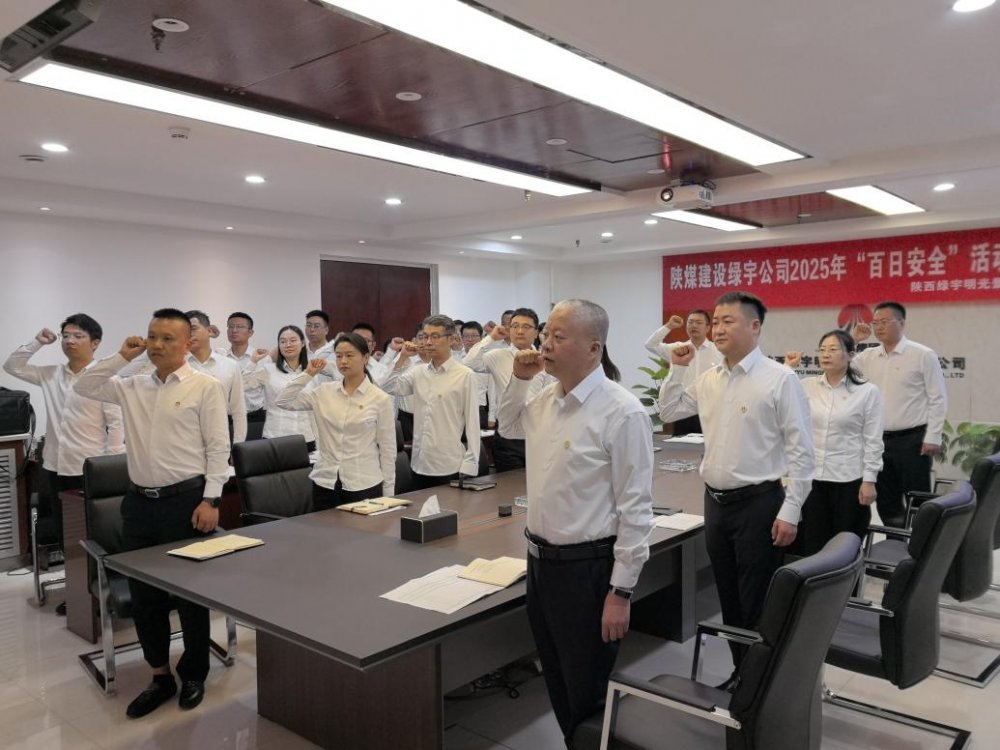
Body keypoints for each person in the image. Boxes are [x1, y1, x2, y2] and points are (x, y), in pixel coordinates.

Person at [497, 299, 654, 744]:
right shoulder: (543, 400)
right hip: (540, 564)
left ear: (593, 348)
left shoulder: (622, 411)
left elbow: (636, 509)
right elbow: (506, 426)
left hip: (588, 570)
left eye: (558, 336)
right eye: (546, 333)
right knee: (557, 677)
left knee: (587, 689)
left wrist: (620, 592)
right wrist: (519, 379)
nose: (545, 343)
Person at [74, 308, 229, 718]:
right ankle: (159, 675)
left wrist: (212, 500)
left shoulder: (205, 386)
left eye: (167, 338)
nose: (157, 345)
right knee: (146, 598)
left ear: (187, 343)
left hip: (187, 502)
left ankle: (194, 672)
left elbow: (218, 447)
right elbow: (85, 383)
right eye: (152, 336)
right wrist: (123, 356)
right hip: (139, 505)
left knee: (191, 596)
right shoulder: (131, 386)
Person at [659, 291, 813, 685]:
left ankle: (761, 682)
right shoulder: (709, 377)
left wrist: (791, 509)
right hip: (716, 503)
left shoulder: (780, 379)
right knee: (727, 595)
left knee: (756, 598)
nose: (718, 328)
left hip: (759, 504)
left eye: (728, 321)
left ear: (755, 326)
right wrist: (677, 369)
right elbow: (670, 410)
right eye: (716, 321)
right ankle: (741, 672)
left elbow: (802, 450)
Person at [3, 314, 124, 583]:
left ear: (95, 343)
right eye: (66, 335)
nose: (70, 341)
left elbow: (116, 426)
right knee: (65, 533)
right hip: (55, 466)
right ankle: (77, 590)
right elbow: (12, 366)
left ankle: (101, 589)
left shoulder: (105, 379)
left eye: (78, 336)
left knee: (94, 533)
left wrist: (108, 467)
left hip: (89, 468)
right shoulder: (51, 374)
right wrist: (37, 342)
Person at [785, 330, 884, 554]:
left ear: (850, 355)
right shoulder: (807, 386)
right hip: (813, 480)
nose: (825, 354)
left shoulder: (867, 392)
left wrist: (870, 480)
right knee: (813, 542)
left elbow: (873, 440)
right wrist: (788, 367)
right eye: (822, 350)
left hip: (848, 480)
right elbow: (778, 395)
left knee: (845, 545)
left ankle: (847, 579)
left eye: (832, 349)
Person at [852, 301, 947, 527]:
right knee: (887, 500)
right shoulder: (867, 357)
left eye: (884, 322)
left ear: (901, 323)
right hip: (878, 440)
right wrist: (853, 341)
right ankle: (894, 541)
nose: (878, 327)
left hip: (912, 439)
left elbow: (937, 397)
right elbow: (840, 368)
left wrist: (933, 435)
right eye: (875, 323)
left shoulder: (922, 354)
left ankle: (922, 542)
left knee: (918, 498)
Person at [275, 332, 396, 509]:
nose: (343, 361)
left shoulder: (379, 399)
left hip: (363, 483)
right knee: (325, 527)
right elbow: (283, 401)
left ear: (365, 357)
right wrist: (308, 374)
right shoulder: (324, 392)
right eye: (338, 356)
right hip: (325, 482)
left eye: (349, 355)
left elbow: (388, 449)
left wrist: (389, 492)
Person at [382, 315, 480, 489]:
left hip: (448, 464)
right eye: (425, 336)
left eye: (435, 336)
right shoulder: (418, 372)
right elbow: (388, 387)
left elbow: (473, 423)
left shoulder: (465, 375)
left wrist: (471, 463)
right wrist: (402, 358)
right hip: (419, 462)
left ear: (451, 339)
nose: (428, 342)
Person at [462, 307, 553, 472]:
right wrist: (491, 338)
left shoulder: (544, 358)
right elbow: (468, 363)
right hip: (507, 437)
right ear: (509, 330)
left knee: (537, 484)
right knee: (509, 486)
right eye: (515, 326)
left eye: (526, 327)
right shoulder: (497, 356)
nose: (520, 331)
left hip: (537, 435)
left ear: (536, 332)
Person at [644, 309, 721, 435]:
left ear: (708, 327)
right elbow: (650, 345)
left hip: (711, 412)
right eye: (690, 322)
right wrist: (669, 326)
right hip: (682, 411)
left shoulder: (719, 351)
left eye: (698, 322)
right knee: (681, 446)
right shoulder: (678, 349)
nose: (693, 325)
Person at [243, 325, 317, 450]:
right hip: (275, 436)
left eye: (293, 340)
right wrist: (253, 361)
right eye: (282, 341)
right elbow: (241, 385)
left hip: (306, 437)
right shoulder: (268, 370)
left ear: (303, 343)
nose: (288, 345)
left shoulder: (312, 371)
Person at [185, 311, 247, 445]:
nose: (189, 334)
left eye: (193, 329)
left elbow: (239, 410)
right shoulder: (177, 366)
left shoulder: (230, 366)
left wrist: (238, 446)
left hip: (219, 440)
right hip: (184, 441)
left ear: (209, 331)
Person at [218, 312, 266, 438]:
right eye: (230, 326)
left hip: (254, 417)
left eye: (239, 327)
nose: (234, 330)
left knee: (255, 450)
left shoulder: (262, 359)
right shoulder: (221, 358)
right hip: (226, 418)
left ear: (250, 332)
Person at [459, 321, 491, 428]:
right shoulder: (455, 357)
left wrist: (492, 415)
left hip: (478, 408)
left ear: (481, 338)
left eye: (474, 336)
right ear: (461, 338)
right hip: (457, 408)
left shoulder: (487, 358)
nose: (470, 339)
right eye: (466, 336)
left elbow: (492, 389)